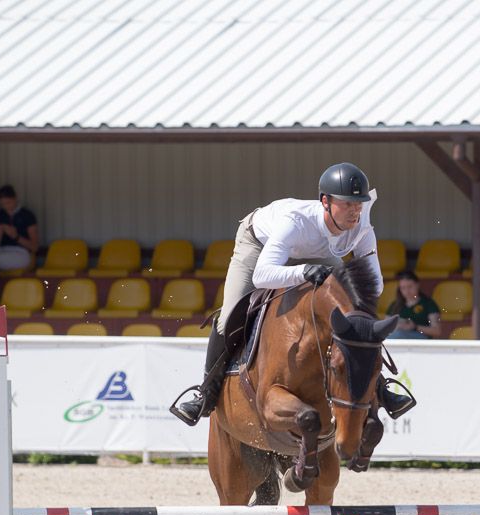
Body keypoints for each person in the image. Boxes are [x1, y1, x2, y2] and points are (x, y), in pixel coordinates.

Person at [170, 162, 415, 426]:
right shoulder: (295, 222)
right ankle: (205, 394)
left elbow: (374, 285)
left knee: (351, 309)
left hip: (319, 253)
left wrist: (349, 301)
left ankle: (379, 386)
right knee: (230, 315)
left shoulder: (362, 227)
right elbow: (262, 276)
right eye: (347, 204)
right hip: (259, 243)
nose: (355, 211)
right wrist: (303, 272)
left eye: (359, 203)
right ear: (325, 202)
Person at [0, 185, 39, 304]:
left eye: (8, 203)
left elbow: (34, 246)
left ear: (15, 198)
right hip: (1, 251)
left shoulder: (27, 215)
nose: (6, 206)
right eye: (3, 204)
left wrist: (16, 236)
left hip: (21, 253)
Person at [386, 271, 441, 339]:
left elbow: (437, 331)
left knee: (398, 334)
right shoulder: (394, 305)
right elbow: (385, 328)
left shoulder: (428, 304)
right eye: (403, 288)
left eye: (410, 287)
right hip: (396, 338)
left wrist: (415, 327)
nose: (407, 291)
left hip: (420, 339)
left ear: (417, 285)